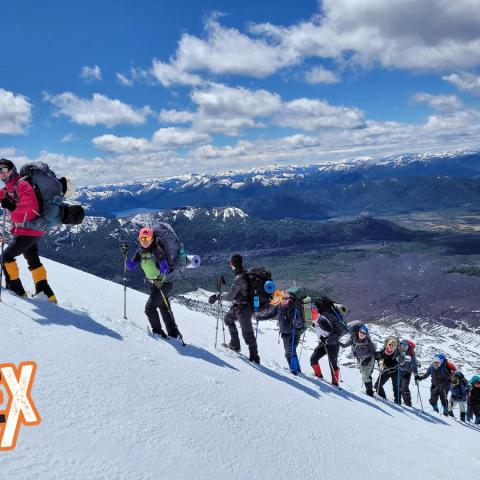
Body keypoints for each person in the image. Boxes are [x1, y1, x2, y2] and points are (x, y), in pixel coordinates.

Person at [0, 158, 56, 302]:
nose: (2, 174)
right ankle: (47, 296)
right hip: (32, 230)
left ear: (12, 169)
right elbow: (7, 197)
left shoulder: (22, 185)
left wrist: (11, 206)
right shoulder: (10, 188)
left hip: (28, 231)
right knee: (33, 260)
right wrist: (6, 199)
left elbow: (30, 206)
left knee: (5, 257)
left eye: (5, 170)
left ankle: (16, 292)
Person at [123, 226, 183, 341]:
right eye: (142, 239)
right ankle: (175, 334)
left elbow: (164, 268)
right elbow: (130, 266)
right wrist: (126, 255)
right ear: (139, 239)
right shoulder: (140, 252)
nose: (145, 242)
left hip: (163, 284)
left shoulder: (157, 250)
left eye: (147, 239)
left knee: (149, 308)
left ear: (152, 239)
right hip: (153, 284)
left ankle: (158, 333)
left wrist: (161, 279)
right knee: (164, 307)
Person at [208, 254, 260, 364]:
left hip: (244, 309)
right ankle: (235, 345)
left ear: (232, 264)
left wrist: (218, 297)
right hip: (239, 306)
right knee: (228, 318)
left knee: (248, 334)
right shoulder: (244, 274)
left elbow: (230, 296)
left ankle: (255, 357)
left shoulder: (238, 278)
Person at [255, 289, 305, 374]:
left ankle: (295, 372)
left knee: (289, 353)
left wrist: (296, 322)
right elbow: (272, 313)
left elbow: (299, 323)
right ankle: (298, 370)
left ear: (289, 299)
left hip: (293, 333)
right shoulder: (279, 306)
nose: (285, 300)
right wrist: (261, 317)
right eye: (283, 298)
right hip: (285, 332)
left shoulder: (293, 308)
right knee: (292, 352)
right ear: (280, 298)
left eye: (287, 298)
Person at [310, 296, 348, 386]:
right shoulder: (318, 316)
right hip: (324, 343)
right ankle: (319, 376)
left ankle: (335, 384)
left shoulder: (322, 319)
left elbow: (333, 334)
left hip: (333, 344)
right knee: (313, 359)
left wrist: (326, 339)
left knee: (332, 364)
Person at [341, 324, 377, 396]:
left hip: (369, 360)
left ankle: (369, 393)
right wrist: (336, 341)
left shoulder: (368, 342)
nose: (362, 334)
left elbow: (373, 352)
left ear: (366, 334)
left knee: (365, 376)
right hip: (360, 359)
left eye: (364, 333)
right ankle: (369, 388)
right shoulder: (353, 339)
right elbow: (344, 345)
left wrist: (368, 357)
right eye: (361, 332)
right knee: (364, 374)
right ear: (358, 332)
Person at [375, 336, 404, 404]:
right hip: (386, 371)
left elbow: (402, 361)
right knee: (377, 386)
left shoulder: (397, 352)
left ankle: (398, 401)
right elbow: (380, 359)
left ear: (395, 346)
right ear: (387, 345)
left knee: (396, 387)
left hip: (395, 371)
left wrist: (400, 360)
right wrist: (377, 357)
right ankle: (383, 397)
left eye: (393, 345)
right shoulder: (383, 351)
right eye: (390, 344)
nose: (391, 346)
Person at [397, 339, 419, 407]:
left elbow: (414, 365)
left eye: (406, 346)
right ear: (400, 345)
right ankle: (398, 400)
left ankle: (408, 403)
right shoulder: (398, 351)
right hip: (398, 371)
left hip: (407, 373)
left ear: (408, 347)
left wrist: (416, 375)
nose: (404, 347)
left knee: (405, 387)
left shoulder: (411, 354)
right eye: (402, 345)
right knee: (398, 386)